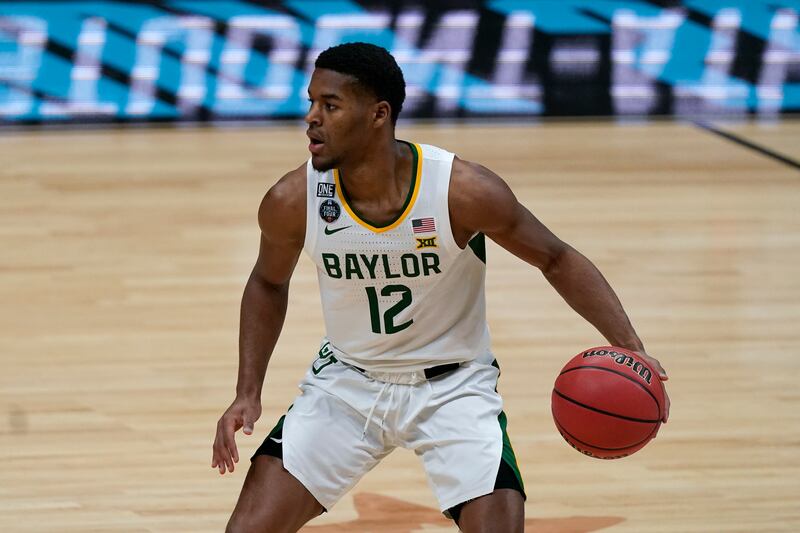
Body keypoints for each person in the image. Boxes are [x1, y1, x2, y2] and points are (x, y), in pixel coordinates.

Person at [212, 42, 670, 533]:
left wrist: (629, 345)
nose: (310, 118)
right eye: (310, 102)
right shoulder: (293, 199)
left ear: (378, 115)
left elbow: (555, 258)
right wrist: (247, 391)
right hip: (347, 384)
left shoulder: (460, 191)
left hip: (453, 390)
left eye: (329, 105)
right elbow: (266, 282)